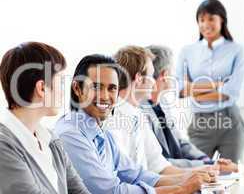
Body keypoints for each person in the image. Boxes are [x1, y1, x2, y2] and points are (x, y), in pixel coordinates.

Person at [54, 54, 209, 194]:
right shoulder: (70, 134)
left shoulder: (102, 133)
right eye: (96, 87)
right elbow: (109, 191)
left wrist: (192, 179)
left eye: (111, 88)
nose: (105, 96)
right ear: (77, 88)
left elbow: (137, 174)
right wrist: (181, 189)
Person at [108, 45, 218, 175]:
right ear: (138, 78)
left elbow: (159, 165)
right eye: (150, 75)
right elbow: (127, 177)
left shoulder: (137, 114)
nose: (154, 83)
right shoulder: (112, 119)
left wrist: (200, 173)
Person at [0, 42, 90, 194]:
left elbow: (79, 191)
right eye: (61, 82)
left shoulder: (51, 140)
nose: (64, 91)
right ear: (42, 88)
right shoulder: (4, 147)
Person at [141, 45, 238, 173]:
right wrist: (208, 166)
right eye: (173, 69)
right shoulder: (141, 111)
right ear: (165, 74)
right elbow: (160, 163)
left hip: (181, 173)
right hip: (167, 176)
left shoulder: (162, 102)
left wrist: (207, 161)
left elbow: (179, 142)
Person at [176, 0, 244, 163]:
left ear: (221, 19)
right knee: (198, 174)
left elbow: (231, 92)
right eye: (201, 19)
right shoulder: (187, 52)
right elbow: (180, 89)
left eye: (211, 18)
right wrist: (217, 86)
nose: (205, 24)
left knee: (231, 176)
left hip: (230, 123)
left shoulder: (237, 50)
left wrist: (195, 92)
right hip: (200, 123)